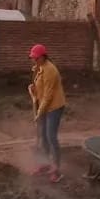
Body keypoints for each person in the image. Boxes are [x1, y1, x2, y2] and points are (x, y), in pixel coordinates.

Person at [27, 44, 66, 183]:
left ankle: (56, 170)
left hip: (54, 107)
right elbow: (41, 89)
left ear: (43, 57)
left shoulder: (50, 71)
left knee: (51, 137)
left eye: (36, 58)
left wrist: (39, 112)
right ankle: (45, 163)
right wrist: (33, 90)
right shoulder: (39, 68)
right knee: (43, 136)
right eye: (33, 58)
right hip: (44, 105)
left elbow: (48, 96)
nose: (34, 60)